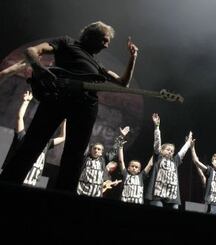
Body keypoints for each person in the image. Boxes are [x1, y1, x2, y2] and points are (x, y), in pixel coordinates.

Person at [0, 21, 139, 193]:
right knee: (32, 144)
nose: (107, 45)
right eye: (104, 40)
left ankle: (64, 200)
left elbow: (123, 83)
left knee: (74, 156)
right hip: (57, 99)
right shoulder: (67, 43)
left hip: (85, 108)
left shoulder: (96, 65)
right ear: (90, 36)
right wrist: (39, 69)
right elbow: (31, 51)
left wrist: (133, 58)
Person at [2, 91, 66, 188]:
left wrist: (64, 121)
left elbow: (62, 137)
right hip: (15, 181)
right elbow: (20, 118)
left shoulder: (46, 143)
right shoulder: (23, 137)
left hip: (32, 184)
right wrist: (26, 102)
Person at [144, 113, 193, 209]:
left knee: (175, 208)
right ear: (162, 150)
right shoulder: (158, 157)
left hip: (172, 192)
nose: (170, 152)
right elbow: (157, 143)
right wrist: (157, 127)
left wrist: (188, 142)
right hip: (158, 191)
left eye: (172, 151)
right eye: (168, 149)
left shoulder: (175, 161)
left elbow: (182, 152)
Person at [77, 126, 129, 197]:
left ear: (101, 152)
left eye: (99, 149)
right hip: (81, 191)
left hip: (96, 193)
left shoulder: (103, 160)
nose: (96, 150)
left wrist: (121, 136)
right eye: (94, 148)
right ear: (91, 150)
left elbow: (113, 150)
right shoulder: (86, 159)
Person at [118, 140, 153, 204]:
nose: (134, 168)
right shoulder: (125, 173)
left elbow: (150, 164)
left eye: (136, 167)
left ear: (139, 170)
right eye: (132, 166)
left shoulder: (141, 175)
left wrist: (155, 153)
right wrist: (120, 146)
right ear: (128, 168)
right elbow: (121, 161)